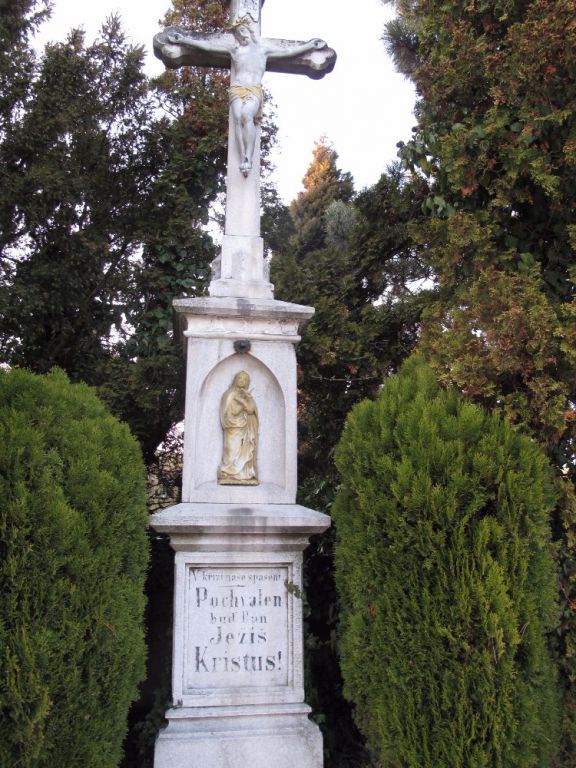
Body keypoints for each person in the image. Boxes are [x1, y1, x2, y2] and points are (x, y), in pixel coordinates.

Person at [168, 20, 326, 175]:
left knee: (246, 115)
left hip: (253, 89)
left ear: (250, 31)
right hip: (237, 88)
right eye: (237, 33)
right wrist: (184, 40)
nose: (241, 35)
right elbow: (209, 47)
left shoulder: (263, 50)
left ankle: (248, 157)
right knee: (237, 118)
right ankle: (243, 155)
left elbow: (287, 52)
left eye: (243, 31)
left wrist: (309, 46)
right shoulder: (234, 51)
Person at [218, 371, 259, 485]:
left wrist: (246, 399)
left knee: (245, 451)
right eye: (240, 378)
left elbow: (251, 409)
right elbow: (229, 412)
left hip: (245, 428)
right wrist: (242, 402)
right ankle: (229, 472)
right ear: (235, 379)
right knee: (231, 450)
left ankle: (244, 473)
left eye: (245, 379)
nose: (242, 381)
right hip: (233, 427)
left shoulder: (246, 396)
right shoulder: (230, 394)